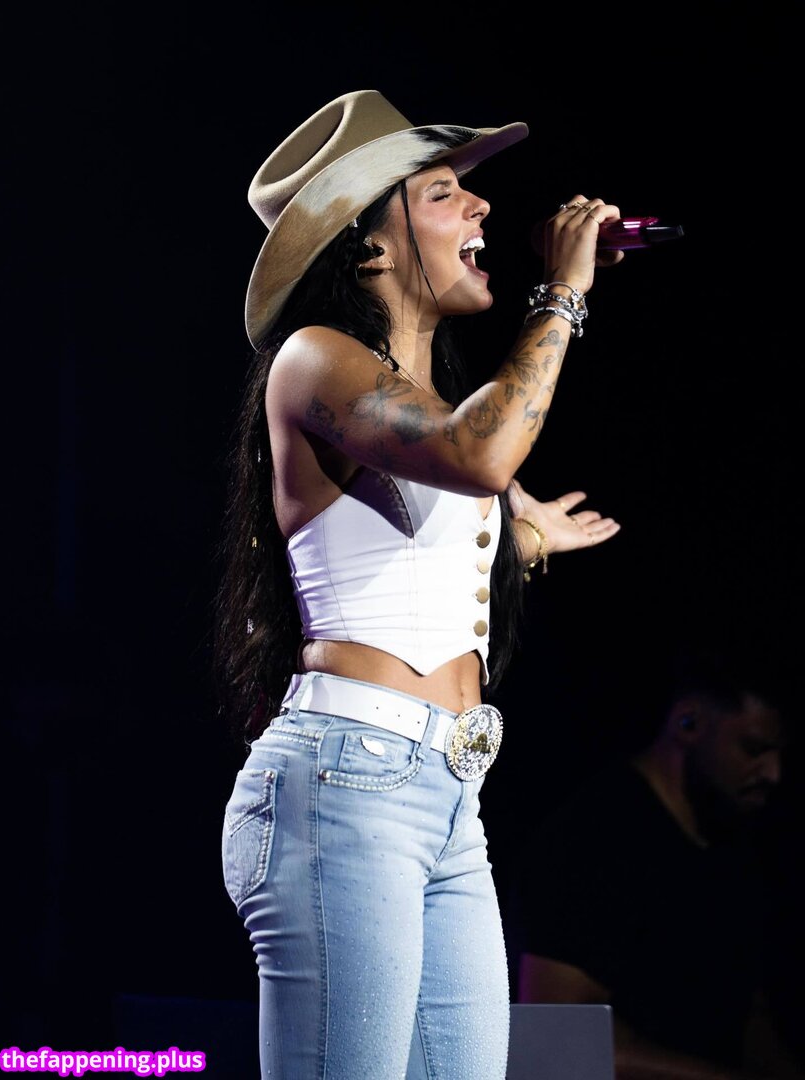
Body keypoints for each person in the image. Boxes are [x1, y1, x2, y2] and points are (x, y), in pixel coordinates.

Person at [213, 88, 622, 1079]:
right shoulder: (315, 360)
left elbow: (420, 543)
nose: (482, 207)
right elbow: (481, 453)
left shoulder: (419, 400)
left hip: (446, 793)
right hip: (345, 781)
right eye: (443, 193)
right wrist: (560, 294)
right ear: (368, 247)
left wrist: (525, 541)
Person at [513, 643, 803, 1079]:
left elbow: (750, 1017)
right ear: (688, 723)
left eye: (780, 754)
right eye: (753, 748)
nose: (773, 773)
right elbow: (553, 1043)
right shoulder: (592, 840)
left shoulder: (737, 847)